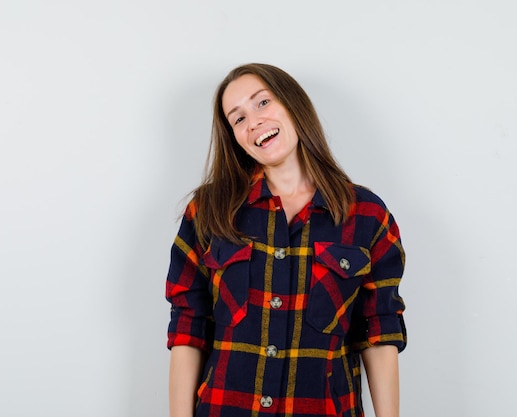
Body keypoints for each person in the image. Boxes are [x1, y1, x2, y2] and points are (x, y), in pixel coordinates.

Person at [165, 63, 407, 417]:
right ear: (235, 137)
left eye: (262, 103)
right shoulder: (209, 211)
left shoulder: (367, 215)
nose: (254, 121)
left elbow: (378, 332)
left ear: (294, 104)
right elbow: (189, 327)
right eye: (238, 119)